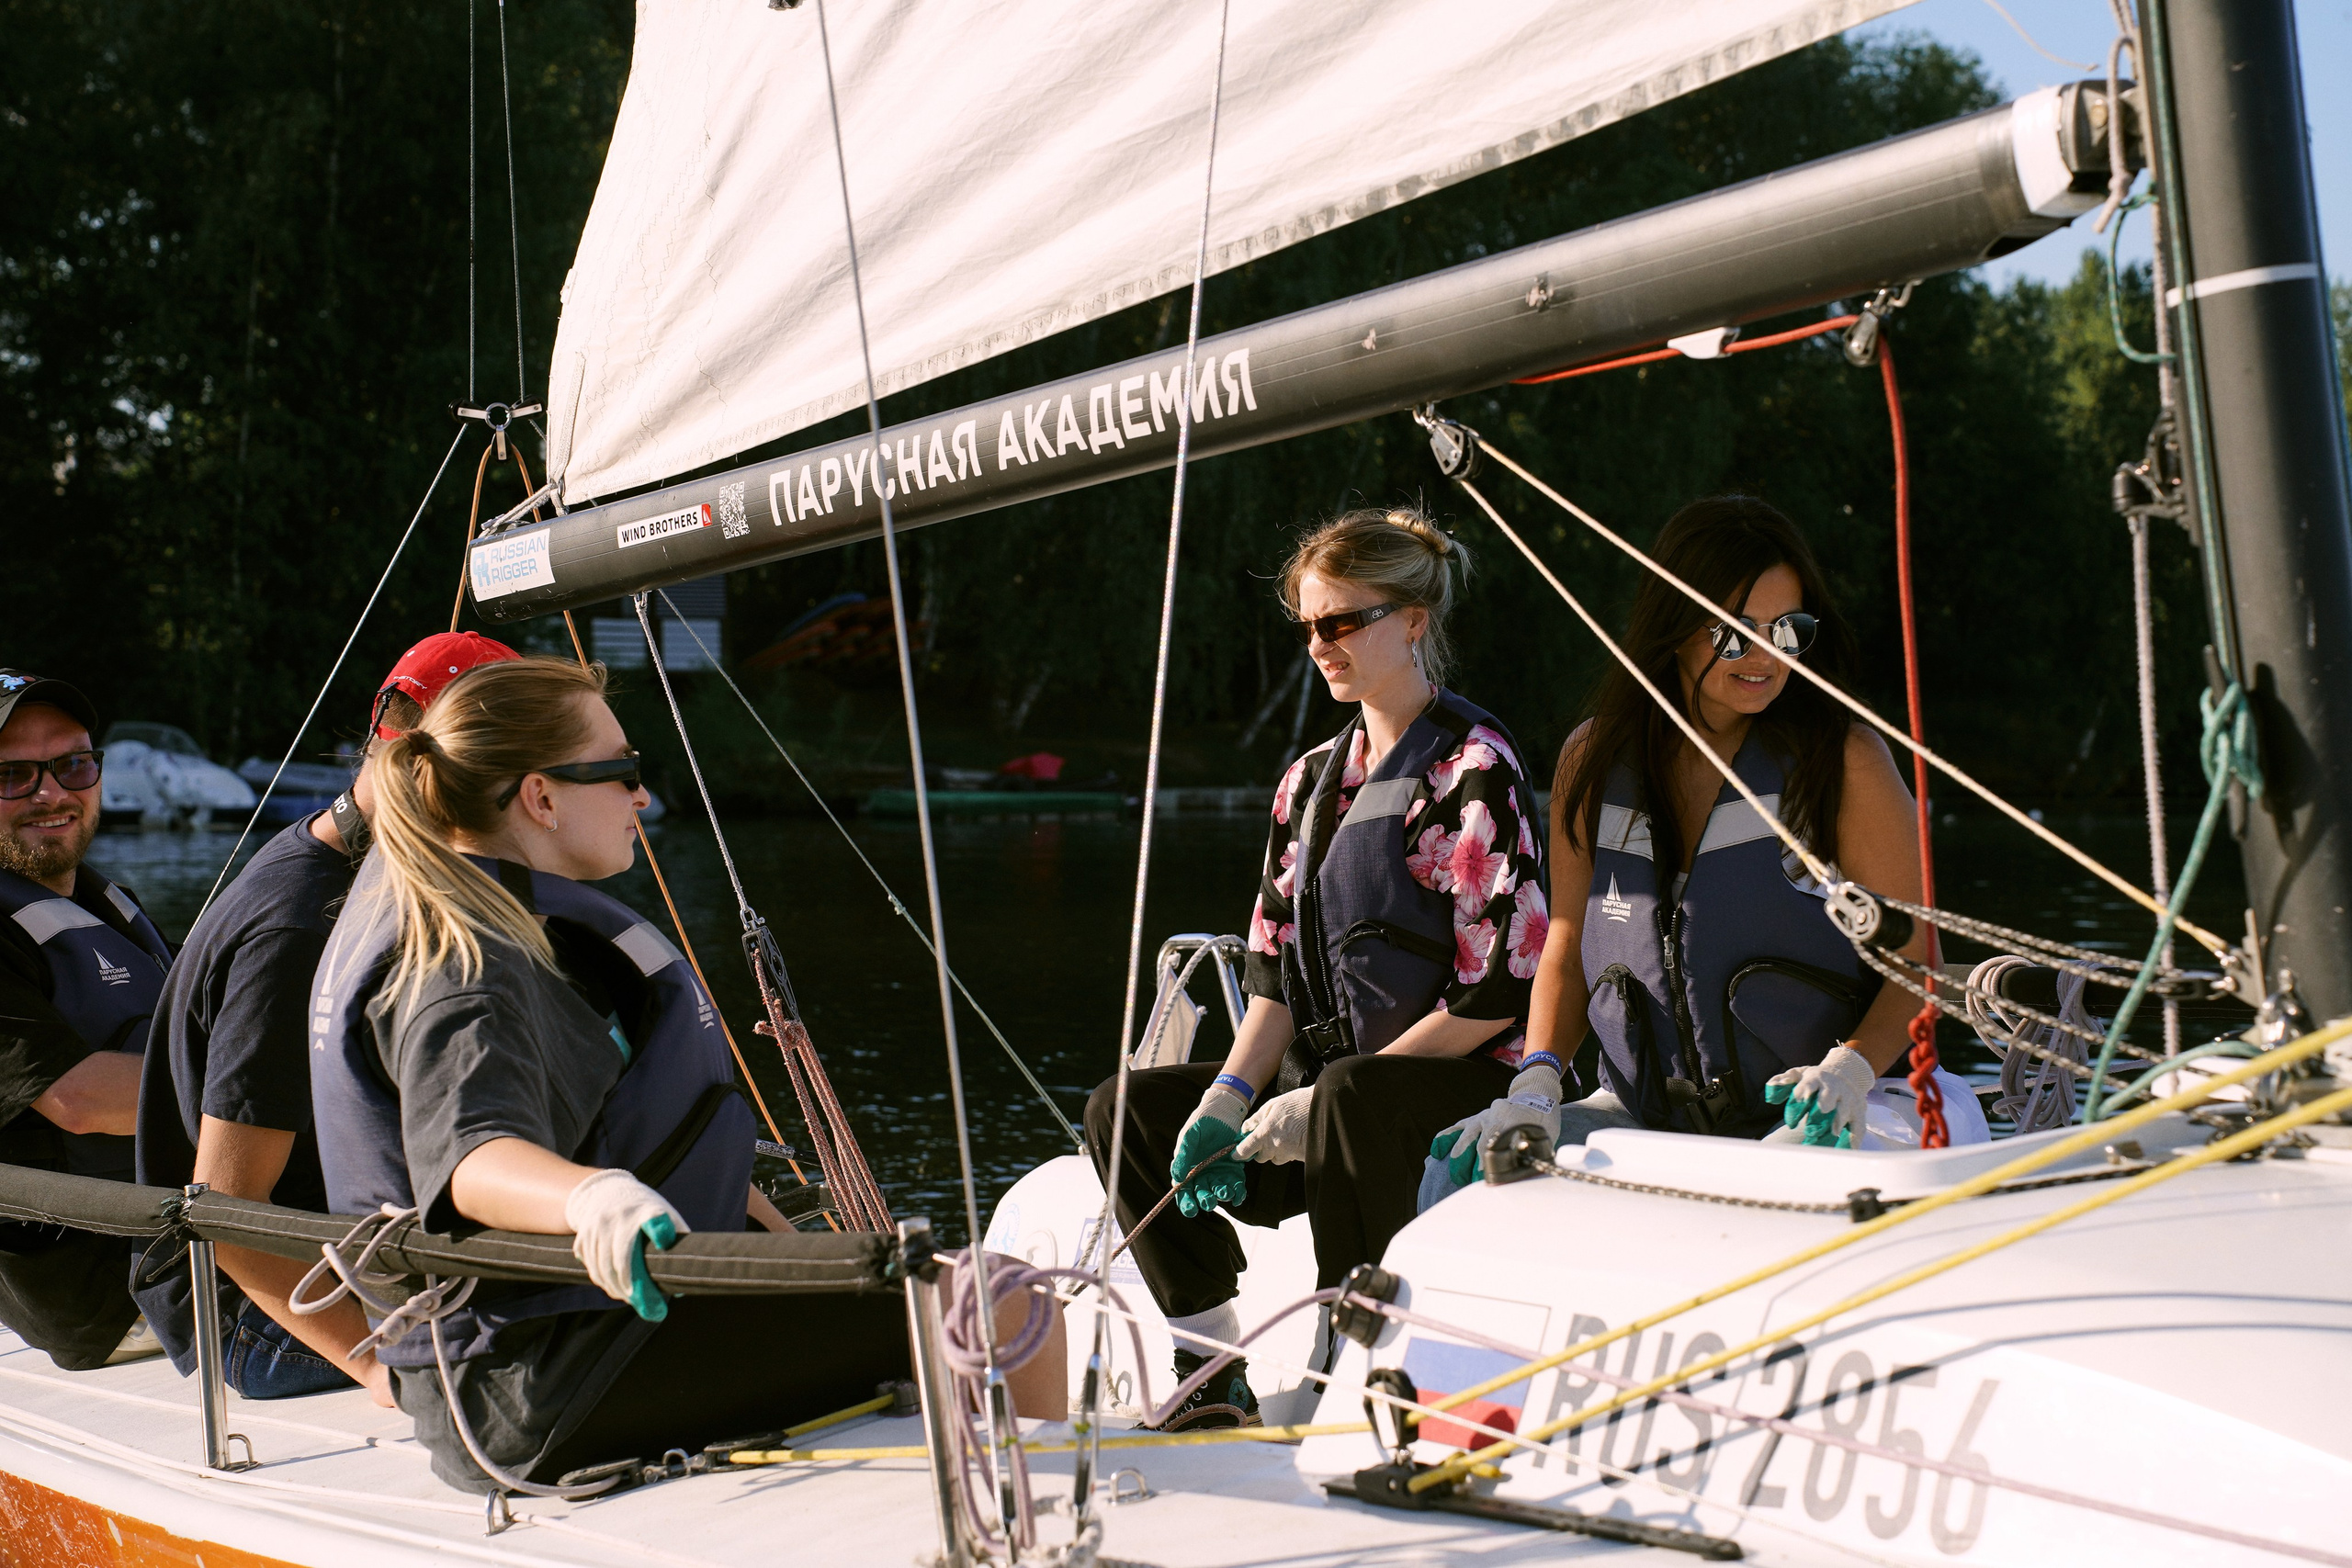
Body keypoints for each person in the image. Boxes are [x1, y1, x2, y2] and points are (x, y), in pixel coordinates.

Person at [306, 655, 908, 1493]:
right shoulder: (470, 965)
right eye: (621, 771)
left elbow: (670, 1138)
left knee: (913, 1290)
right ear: (541, 797)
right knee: (991, 1301)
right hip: (542, 1385)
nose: (642, 797)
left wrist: (800, 1260)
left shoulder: (506, 924)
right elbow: (472, 1155)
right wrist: (593, 1198)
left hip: (579, 1340)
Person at [1085, 507, 1546, 1431]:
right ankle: (1209, 1359)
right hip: (1333, 1097)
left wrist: (1330, 1094)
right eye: (1307, 626)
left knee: (1349, 1096)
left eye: (1342, 622)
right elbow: (1269, 974)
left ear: (1412, 620)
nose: (1320, 645)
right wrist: (1227, 1096)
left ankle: (1358, 1343)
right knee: (1122, 1107)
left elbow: (1499, 988)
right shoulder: (1306, 783)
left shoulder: (1473, 771)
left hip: (1448, 1091)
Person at [1434, 493, 1982, 1189]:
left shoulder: (1845, 760)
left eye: (1788, 631)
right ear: (1673, 627)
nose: (1764, 657)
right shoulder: (1595, 759)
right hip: (1649, 1116)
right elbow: (1568, 945)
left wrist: (1849, 1068)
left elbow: (1920, 960)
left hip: (1855, 1104)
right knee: (1458, 1174)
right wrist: (1536, 1086)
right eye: (1734, 632)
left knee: (1777, 1186)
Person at [131, 632, 522, 1403]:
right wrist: (377, 1362)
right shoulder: (302, 926)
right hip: (255, 1311)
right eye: (516, 776)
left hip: (354, 1251)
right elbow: (227, 1210)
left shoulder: (352, 862)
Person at [0, 670, 175, 1369]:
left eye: (73, 763)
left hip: (177, 1243)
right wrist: (294, 1092)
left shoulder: (109, 905)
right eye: (14, 774)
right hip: (108, 1297)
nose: (53, 791)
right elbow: (76, 1099)